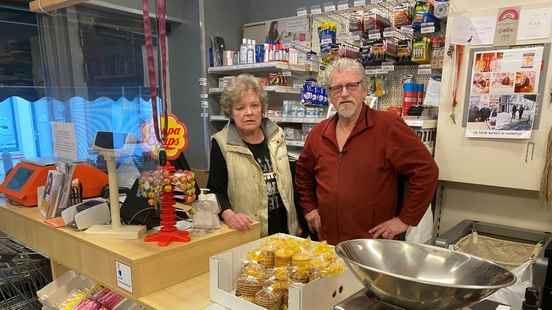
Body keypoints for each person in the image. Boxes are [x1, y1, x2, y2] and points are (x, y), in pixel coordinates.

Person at [295, 59, 438, 245]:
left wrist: (405, 220)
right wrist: (309, 208)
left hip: (373, 245)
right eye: (337, 88)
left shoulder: (388, 127)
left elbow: (426, 171)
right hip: (329, 242)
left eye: (351, 86)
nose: (344, 93)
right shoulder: (318, 134)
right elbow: (303, 174)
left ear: (364, 89)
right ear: (330, 95)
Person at [207, 74, 299, 236]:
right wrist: (230, 215)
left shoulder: (277, 135)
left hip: (286, 232)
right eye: (240, 108)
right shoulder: (221, 143)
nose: (249, 112)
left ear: (262, 109)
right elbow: (215, 190)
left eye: (254, 105)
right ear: (230, 112)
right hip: (249, 232)